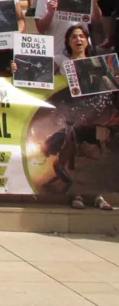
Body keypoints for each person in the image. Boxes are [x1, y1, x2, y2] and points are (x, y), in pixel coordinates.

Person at [54, 24, 115, 212]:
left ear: (87, 40)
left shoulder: (100, 63)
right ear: (68, 42)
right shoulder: (60, 61)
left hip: (95, 118)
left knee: (96, 155)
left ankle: (98, 196)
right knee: (75, 155)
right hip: (73, 117)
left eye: (82, 36)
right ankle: (77, 195)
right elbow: (35, 74)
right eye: (74, 37)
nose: (78, 40)